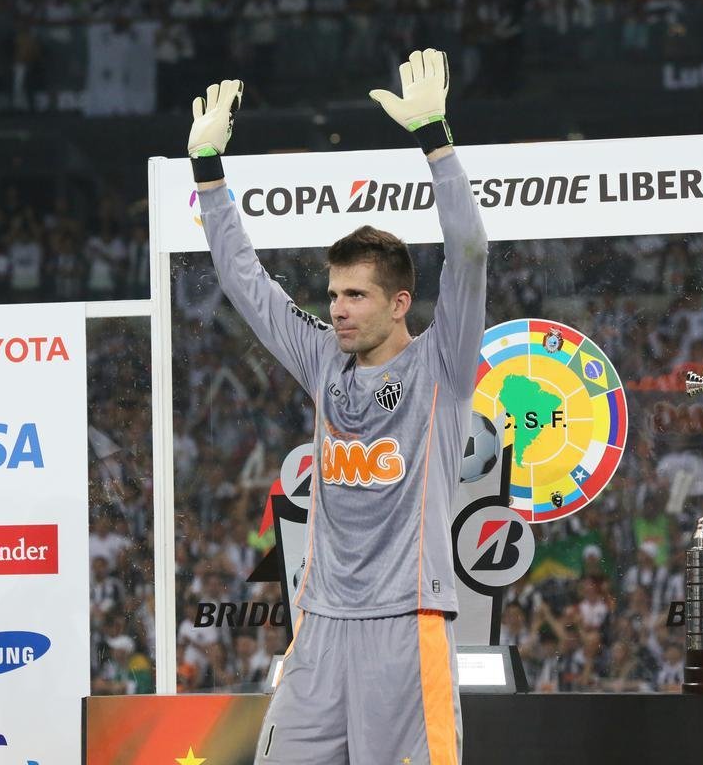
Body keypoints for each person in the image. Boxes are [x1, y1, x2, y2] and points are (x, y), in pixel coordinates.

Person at [188, 48, 486, 764]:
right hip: (320, 625)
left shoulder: (442, 363)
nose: (339, 309)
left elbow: (471, 252)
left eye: (356, 295)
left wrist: (437, 142)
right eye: (333, 295)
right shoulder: (323, 357)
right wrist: (208, 172)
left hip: (407, 623)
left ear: (400, 303)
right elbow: (246, 282)